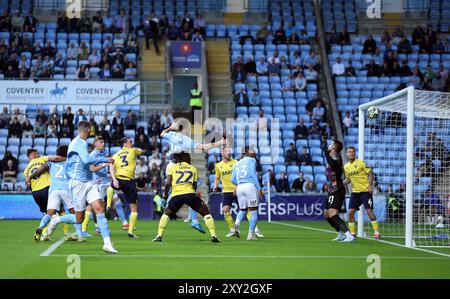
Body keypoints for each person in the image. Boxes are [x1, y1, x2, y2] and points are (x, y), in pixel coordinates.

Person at [65, 121, 117, 253]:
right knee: (79, 218)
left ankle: (107, 243)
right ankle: (56, 220)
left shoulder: (82, 143)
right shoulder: (77, 143)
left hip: (89, 182)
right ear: (88, 129)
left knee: (100, 208)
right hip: (78, 183)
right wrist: (106, 160)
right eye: (91, 129)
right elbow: (87, 161)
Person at [152, 152, 220, 243]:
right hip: (189, 194)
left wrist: (165, 196)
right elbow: (194, 185)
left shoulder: (173, 167)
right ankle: (213, 235)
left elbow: (168, 182)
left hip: (177, 195)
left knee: (166, 213)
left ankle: (159, 235)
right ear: (186, 158)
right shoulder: (193, 168)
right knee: (206, 212)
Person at [27, 145, 77, 241]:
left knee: (49, 213)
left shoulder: (50, 163)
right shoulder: (70, 162)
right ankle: (71, 230)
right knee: (74, 215)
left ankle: (40, 228)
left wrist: (30, 177)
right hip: (65, 189)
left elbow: (40, 170)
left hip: (53, 190)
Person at [24, 148, 66, 241]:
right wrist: (66, 159)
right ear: (35, 154)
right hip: (46, 189)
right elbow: (55, 158)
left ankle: (42, 234)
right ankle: (66, 233)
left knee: (46, 213)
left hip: (35, 193)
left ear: (28, 157)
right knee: (59, 210)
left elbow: (28, 184)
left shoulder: (26, 170)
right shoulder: (42, 159)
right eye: (37, 153)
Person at [109, 137, 145, 238]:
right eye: (130, 142)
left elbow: (111, 167)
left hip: (119, 179)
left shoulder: (115, 155)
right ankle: (130, 232)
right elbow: (143, 151)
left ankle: (108, 204)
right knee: (134, 208)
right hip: (129, 181)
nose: (132, 143)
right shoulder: (133, 150)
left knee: (110, 187)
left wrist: (114, 179)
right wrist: (135, 147)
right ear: (125, 144)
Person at [322, 138, 355, 243]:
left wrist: (325, 152)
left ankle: (349, 235)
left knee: (333, 214)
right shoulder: (333, 156)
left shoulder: (337, 157)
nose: (329, 145)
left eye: (331, 144)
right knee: (326, 214)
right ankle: (340, 233)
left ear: (334, 148)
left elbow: (333, 164)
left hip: (337, 189)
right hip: (332, 188)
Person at [343, 146, 380, 239]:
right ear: (347, 154)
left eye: (352, 152)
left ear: (355, 153)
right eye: (349, 152)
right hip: (355, 193)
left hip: (365, 192)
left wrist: (370, 186)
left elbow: (370, 173)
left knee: (369, 212)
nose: (351, 153)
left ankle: (376, 232)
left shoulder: (361, 163)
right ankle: (352, 233)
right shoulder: (346, 167)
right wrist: (341, 184)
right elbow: (348, 179)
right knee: (350, 213)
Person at [231, 146, 263, 240]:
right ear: (247, 152)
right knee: (253, 212)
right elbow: (253, 174)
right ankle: (250, 235)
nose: (255, 152)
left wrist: (240, 183)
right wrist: (259, 188)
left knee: (243, 210)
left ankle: (237, 223)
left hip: (240, 187)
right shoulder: (252, 160)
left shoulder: (237, 163)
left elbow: (232, 179)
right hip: (249, 186)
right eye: (253, 150)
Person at [213, 147, 239, 237]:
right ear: (222, 153)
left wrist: (237, 186)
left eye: (230, 151)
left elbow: (239, 176)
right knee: (225, 210)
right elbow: (217, 178)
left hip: (237, 189)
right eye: (227, 151)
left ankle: (254, 229)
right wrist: (215, 186)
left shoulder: (236, 162)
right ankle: (232, 230)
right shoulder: (218, 165)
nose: (229, 153)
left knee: (246, 209)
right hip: (226, 191)